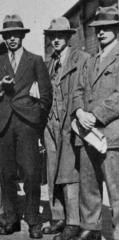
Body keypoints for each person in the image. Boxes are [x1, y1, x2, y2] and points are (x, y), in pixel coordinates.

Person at [72, 6, 119, 240]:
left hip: (113, 134)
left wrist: (94, 115)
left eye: (106, 28)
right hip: (87, 133)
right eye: (98, 28)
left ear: (117, 30)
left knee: (118, 191)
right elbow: (78, 90)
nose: (101, 33)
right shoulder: (90, 61)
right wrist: (79, 111)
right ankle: (91, 227)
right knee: (88, 186)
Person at [0, 14, 52, 238]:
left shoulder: (35, 60)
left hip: (27, 125)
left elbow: (46, 95)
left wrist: (36, 119)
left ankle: (33, 220)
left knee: (31, 174)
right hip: (3, 124)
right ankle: (11, 219)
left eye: (16, 35)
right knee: (6, 174)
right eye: (8, 35)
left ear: (22, 36)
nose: (12, 39)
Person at [42, 17, 90, 240]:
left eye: (61, 35)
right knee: (53, 171)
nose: (56, 40)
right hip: (50, 123)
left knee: (69, 173)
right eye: (53, 36)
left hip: (70, 122)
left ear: (69, 37)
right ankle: (58, 217)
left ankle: (73, 221)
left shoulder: (82, 59)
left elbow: (86, 90)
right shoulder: (49, 61)